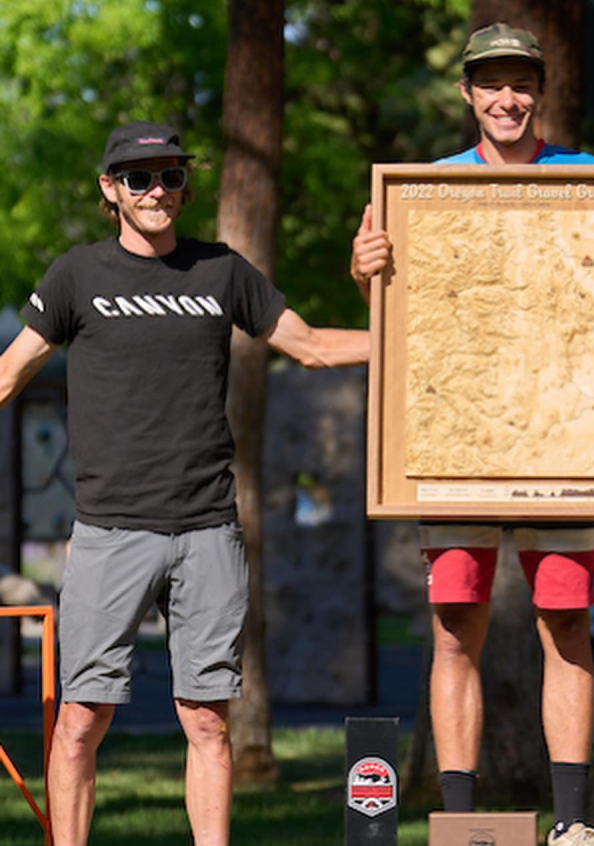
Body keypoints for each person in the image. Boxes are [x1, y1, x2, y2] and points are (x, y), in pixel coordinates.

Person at [350, 23, 594, 846]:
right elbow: (410, 334)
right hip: (457, 450)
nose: (507, 98)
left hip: (565, 445)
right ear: (467, 94)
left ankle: (569, 826)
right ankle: (462, 829)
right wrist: (370, 280)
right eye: (490, 83)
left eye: (520, 83)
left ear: (541, 90)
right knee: (455, 626)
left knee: (565, 624)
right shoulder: (424, 193)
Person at [0, 121, 369, 846]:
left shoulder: (222, 271)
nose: (157, 190)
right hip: (109, 531)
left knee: (206, 720)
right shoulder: (75, 276)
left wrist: (415, 341)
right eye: (139, 178)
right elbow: (10, 371)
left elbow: (316, 347)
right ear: (111, 189)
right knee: (79, 721)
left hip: (207, 530)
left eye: (170, 175)